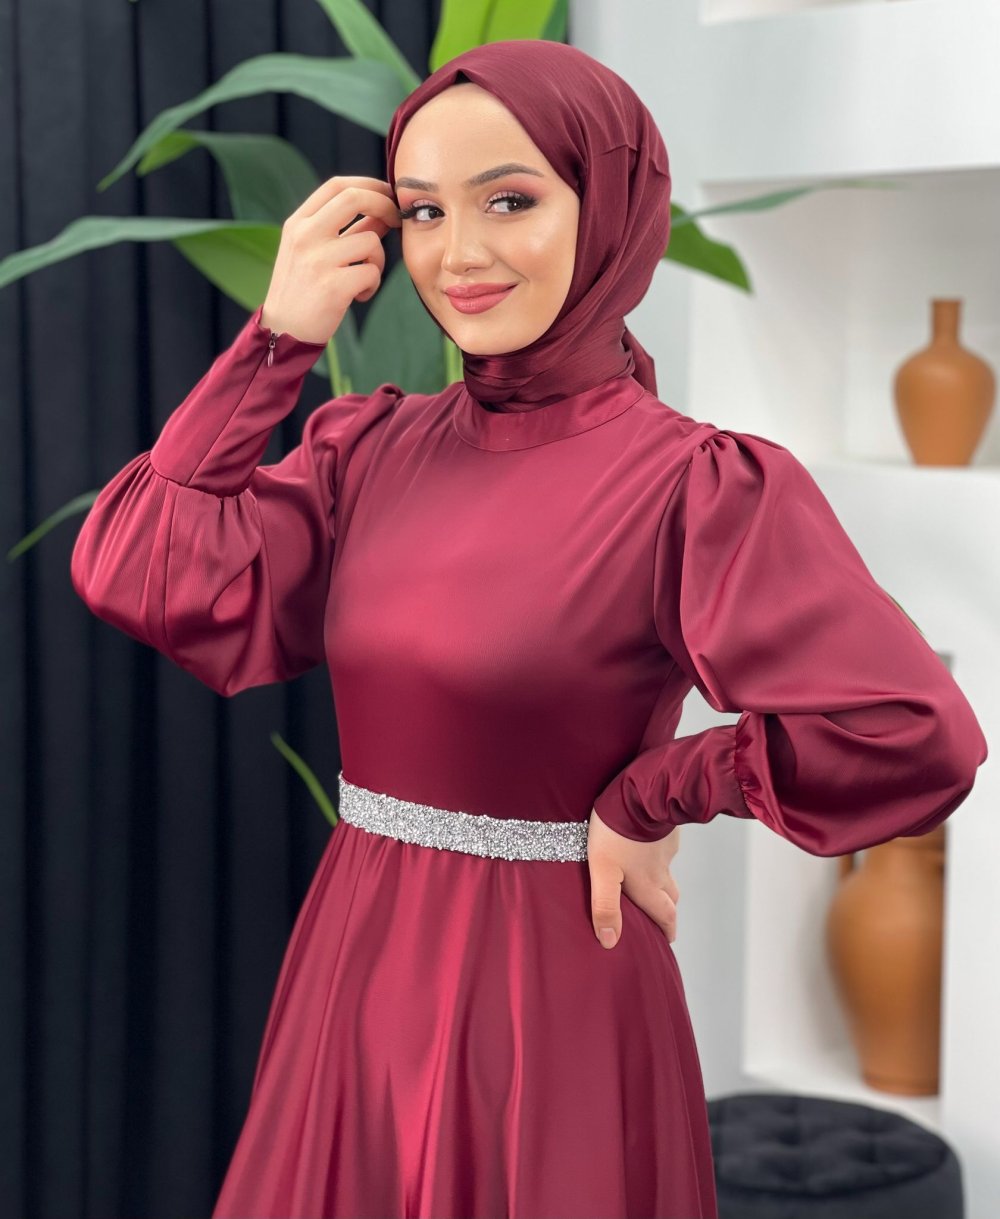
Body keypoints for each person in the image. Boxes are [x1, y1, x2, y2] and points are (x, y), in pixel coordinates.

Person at [69, 38, 988, 1219]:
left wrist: (655, 791)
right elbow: (139, 569)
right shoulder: (368, 451)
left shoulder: (694, 485)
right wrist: (276, 338)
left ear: (607, 206)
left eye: (509, 200)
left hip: (552, 997)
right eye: (422, 211)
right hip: (356, 969)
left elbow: (911, 734)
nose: (458, 254)